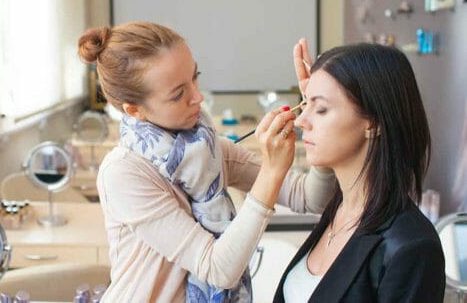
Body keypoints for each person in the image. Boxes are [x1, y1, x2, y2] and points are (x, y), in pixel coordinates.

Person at [77, 21, 335, 302]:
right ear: (134, 110)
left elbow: (312, 199)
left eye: (195, 77)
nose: (198, 97)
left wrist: (316, 110)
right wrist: (270, 173)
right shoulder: (124, 173)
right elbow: (217, 269)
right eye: (178, 94)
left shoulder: (209, 150)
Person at [273, 40, 445, 302]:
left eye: (320, 109)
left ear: (373, 122)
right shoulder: (341, 209)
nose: (300, 121)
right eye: (305, 104)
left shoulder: (411, 247)